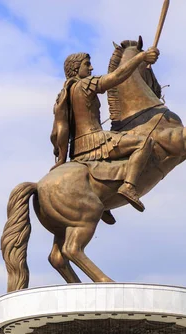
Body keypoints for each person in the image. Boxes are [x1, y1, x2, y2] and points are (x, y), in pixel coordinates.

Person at [51, 47, 159, 217]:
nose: (91, 68)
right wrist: (140, 58)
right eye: (87, 64)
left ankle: (104, 200)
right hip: (95, 140)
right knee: (145, 142)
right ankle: (129, 186)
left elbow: (61, 129)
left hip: (77, 150)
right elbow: (116, 77)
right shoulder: (85, 84)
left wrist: (62, 158)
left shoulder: (63, 94)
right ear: (76, 68)